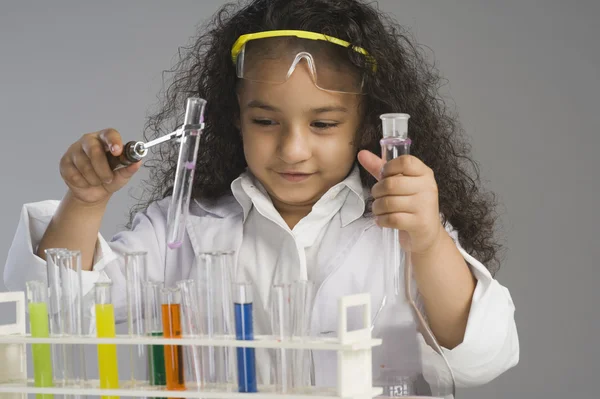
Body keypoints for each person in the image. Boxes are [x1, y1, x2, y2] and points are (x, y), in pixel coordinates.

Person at [4, 0, 518, 391]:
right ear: (234, 118)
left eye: (323, 123)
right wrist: (87, 201)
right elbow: (54, 318)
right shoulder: (181, 230)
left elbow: (480, 358)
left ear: (365, 124)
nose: (293, 149)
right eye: (266, 121)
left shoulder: (405, 235)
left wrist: (427, 241)